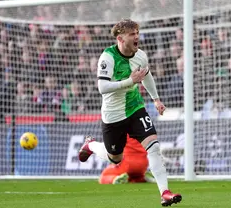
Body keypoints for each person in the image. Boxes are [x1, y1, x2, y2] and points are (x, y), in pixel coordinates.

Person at [78, 19, 182, 206]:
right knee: (114, 158)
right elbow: (102, 87)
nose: (137, 37)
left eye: (137, 33)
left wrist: (156, 98)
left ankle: (164, 192)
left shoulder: (140, 55)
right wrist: (129, 81)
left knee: (154, 146)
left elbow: (146, 75)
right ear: (120, 38)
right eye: (132, 34)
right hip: (113, 114)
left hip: (135, 108)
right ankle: (91, 146)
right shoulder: (107, 57)